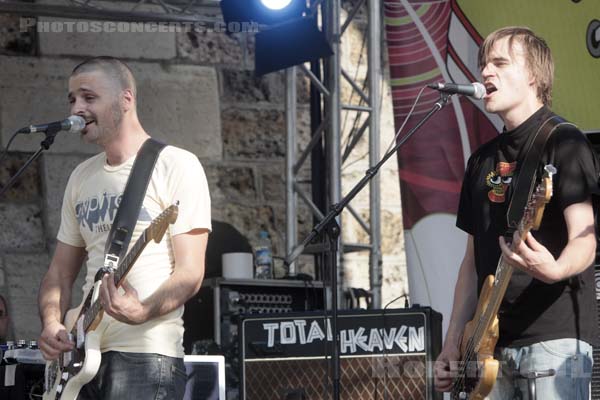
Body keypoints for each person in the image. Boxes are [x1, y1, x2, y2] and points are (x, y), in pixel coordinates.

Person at [433, 26, 598, 399]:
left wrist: (555, 268)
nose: (485, 72)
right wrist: (452, 342)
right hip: (487, 348)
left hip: (551, 339)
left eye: (500, 63)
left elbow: (585, 239)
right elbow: (472, 264)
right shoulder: (481, 159)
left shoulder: (563, 142)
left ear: (533, 76)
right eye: (482, 65)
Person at [37, 56, 211, 399]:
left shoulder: (176, 164)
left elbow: (191, 272)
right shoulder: (81, 177)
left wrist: (144, 309)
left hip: (146, 356)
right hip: (80, 357)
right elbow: (59, 272)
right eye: (72, 99)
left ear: (125, 99)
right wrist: (52, 322)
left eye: (88, 97)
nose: (77, 108)